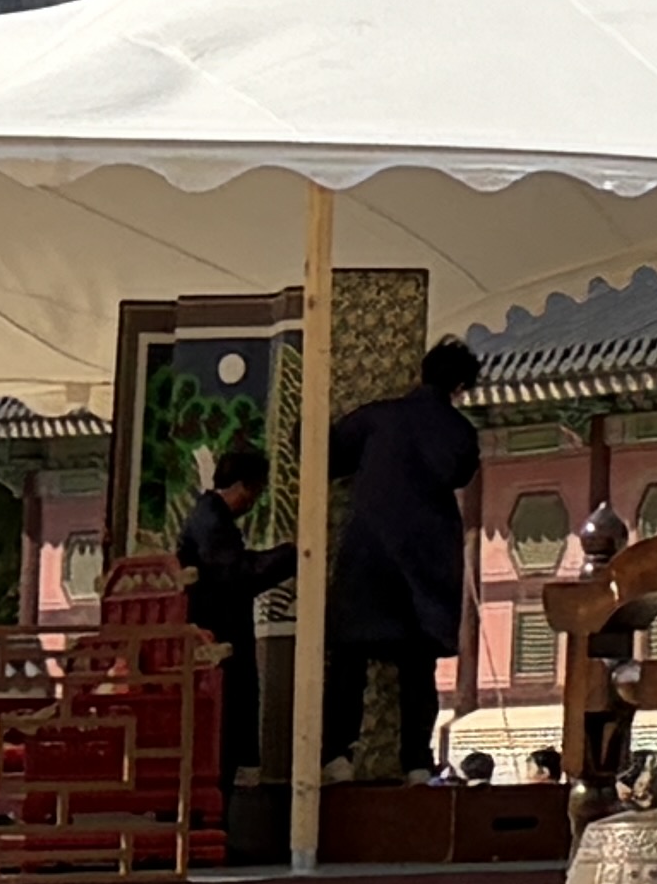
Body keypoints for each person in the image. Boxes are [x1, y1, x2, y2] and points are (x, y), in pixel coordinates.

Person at [318, 338, 484, 779]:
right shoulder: (461, 432)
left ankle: (338, 756)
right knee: (417, 667)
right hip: (427, 558)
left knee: (350, 660)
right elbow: (459, 472)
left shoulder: (378, 416)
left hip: (370, 549)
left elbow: (328, 456)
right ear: (461, 385)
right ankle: (414, 761)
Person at [175, 441, 292, 797]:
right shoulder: (212, 521)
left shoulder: (208, 518)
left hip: (216, 636)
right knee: (222, 731)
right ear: (244, 486)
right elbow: (235, 572)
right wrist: (290, 555)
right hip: (217, 640)